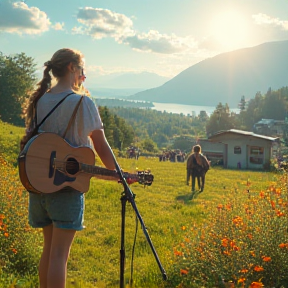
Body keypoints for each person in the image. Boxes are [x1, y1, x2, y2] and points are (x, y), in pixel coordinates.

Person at [21, 48, 117, 288]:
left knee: (49, 252)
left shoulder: (41, 99)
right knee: (59, 256)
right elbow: (101, 146)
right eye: (82, 70)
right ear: (72, 68)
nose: (83, 76)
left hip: (41, 185)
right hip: (66, 187)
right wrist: (119, 175)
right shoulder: (81, 102)